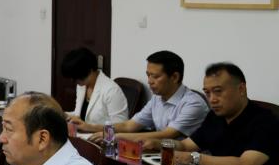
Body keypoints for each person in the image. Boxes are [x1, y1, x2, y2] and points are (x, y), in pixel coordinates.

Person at [172, 63, 279, 165]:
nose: (212, 99)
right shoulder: (215, 116)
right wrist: (159, 143)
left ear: (241, 89)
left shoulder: (266, 121)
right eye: (207, 93)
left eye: (218, 91)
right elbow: (185, 146)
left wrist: (194, 158)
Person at [74, 50, 207, 145]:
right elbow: (129, 125)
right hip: (160, 153)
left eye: (155, 76)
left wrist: (115, 136)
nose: (149, 81)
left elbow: (167, 134)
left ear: (175, 77)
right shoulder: (157, 98)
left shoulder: (193, 103)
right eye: (148, 75)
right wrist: (89, 127)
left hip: (188, 162)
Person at [59, 47, 128, 126]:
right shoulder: (82, 86)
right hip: (82, 133)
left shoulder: (112, 91)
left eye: (77, 78)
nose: (75, 82)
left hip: (101, 134)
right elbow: (81, 114)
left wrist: (89, 127)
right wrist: (62, 114)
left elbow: (120, 127)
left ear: (90, 69)